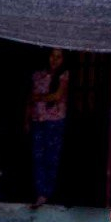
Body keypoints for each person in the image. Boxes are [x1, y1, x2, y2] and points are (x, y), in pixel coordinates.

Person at [28, 49, 70, 207]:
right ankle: (41, 193)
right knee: (38, 157)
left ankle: (50, 193)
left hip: (55, 121)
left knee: (52, 158)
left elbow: (57, 96)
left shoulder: (63, 75)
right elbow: (29, 98)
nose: (55, 60)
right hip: (37, 119)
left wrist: (38, 97)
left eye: (58, 57)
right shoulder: (38, 74)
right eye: (52, 56)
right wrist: (26, 119)